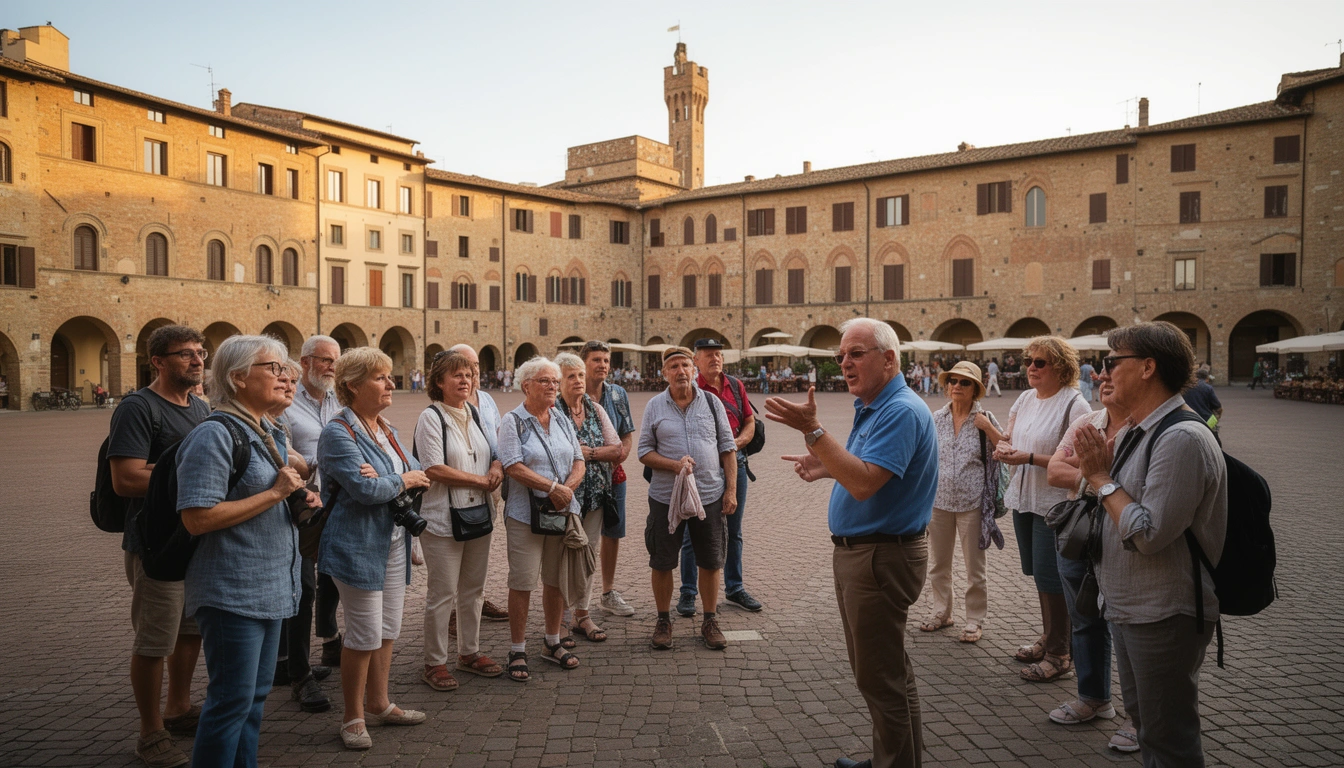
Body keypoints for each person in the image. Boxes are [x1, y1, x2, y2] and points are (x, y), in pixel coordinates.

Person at [767, 318, 938, 768]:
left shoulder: (899, 409)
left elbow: (863, 484)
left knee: (880, 679)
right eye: (841, 355)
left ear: (889, 358)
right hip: (870, 555)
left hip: (880, 557)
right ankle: (896, 759)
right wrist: (825, 464)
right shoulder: (878, 405)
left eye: (856, 353)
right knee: (889, 674)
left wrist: (815, 433)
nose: (844, 362)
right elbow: (870, 470)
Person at [1073, 322, 1227, 765]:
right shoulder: (1141, 429)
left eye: (1110, 363)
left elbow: (1148, 533)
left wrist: (1100, 477)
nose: (1101, 374)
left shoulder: (1181, 438)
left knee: (1168, 737)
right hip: (1130, 606)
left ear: (1147, 367)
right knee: (1147, 726)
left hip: (1163, 612)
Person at [175, 335, 314, 768]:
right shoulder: (214, 435)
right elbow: (196, 517)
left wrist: (298, 503)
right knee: (230, 702)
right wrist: (275, 494)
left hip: (271, 586)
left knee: (253, 700)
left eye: (286, 369)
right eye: (273, 368)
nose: (285, 376)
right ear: (237, 378)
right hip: (232, 589)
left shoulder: (269, 429)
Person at [318, 347, 431, 749]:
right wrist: (399, 478)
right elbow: (368, 490)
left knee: (388, 629)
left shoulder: (386, 429)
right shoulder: (337, 432)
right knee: (363, 634)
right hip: (356, 546)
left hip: (394, 540)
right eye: (380, 377)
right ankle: (352, 717)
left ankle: (380, 703)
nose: (390, 383)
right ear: (352, 385)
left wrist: (389, 476)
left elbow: (418, 471)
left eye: (389, 375)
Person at [108, 324, 209, 768]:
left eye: (200, 352)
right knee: (154, 638)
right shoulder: (138, 408)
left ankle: (179, 708)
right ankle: (150, 732)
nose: (196, 359)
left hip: (194, 538)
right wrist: (194, 480)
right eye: (184, 353)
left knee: (190, 630)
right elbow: (126, 477)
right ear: (158, 361)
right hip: (155, 542)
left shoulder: (202, 408)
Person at [1045, 370, 1136, 752]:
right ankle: (1094, 697)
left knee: (1127, 625)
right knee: (1084, 616)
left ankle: (1141, 717)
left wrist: (1088, 475)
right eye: (1104, 373)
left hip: (1122, 538)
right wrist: (1099, 474)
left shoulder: (1143, 431)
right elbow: (1053, 471)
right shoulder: (1088, 423)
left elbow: (1137, 484)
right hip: (1080, 534)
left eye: (1117, 372)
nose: (1105, 379)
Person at [994, 337, 1092, 683]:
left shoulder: (1075, 405)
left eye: (1040, 363)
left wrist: (1028, 458)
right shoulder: (1024, 397)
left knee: (1054, 577)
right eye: (1029, 361)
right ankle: (1051, 635)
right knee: (1039, 573)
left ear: (1062, 368)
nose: (1030, 368)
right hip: (1024, 499)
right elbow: (1008, 435)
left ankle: (1060, 654)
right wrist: (1005, 447)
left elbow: (1080, 461)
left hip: (1055, 504)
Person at [415, 351, 505, 692]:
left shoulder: (476, 413)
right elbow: (434, 468)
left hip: (479, 514)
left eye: (468, 374)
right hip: (442, 518)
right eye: (456, 375)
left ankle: (470, 653)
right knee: (442, 593)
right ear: (439, 382)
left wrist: (495, 468)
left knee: (474, 589)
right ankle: (434, 662)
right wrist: (480, 481)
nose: (465, 380)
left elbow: (495, 452)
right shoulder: (431, 418)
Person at [639, 346, 738, 650]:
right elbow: (643, 451)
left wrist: (731, 490)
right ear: (664, 373)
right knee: (662, 560)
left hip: (709, 494)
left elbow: (727, 448)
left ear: (694, 369)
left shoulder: (711, 402)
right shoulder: (655, 406)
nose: (680, 371)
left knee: (710, 560)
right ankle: (663, 619)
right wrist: (674, 465)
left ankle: (709, 619)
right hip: (665, 496)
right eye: (673, 367)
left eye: (685, 365)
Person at [497, 356, 587, 680]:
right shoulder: (513, 421)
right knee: (522, 581)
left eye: (554, 381)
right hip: (525, 515)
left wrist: (566, 489)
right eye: (544, 381)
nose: (552, 386)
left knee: (554, 579)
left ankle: (551, 642)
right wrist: (551, 487)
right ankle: (517, 648)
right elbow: (512, 465)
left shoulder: (561, 418)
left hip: (560, 513)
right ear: (526, 385)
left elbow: (579, 459)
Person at [276, 335, 341, 714]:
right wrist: (310, 469)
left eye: (335, 360)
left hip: (335, 501)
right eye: (325, 360)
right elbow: (282, 454)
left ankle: (296, 658)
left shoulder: (337, 399)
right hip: (298, 505)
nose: (332, 366)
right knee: (302, 586)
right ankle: (299, 675)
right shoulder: (286, 402)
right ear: (305, 362)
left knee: (329, 576)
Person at [679, 338, 763, 617]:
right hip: (703, 469)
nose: (715, 359)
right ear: (696, 362)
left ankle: (735, 588)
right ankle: (689, 593)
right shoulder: (691, 389)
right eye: (708, 355)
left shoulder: (735, 386)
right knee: (694, 532)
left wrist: (736, 444)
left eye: (718, 354)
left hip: (734, 463)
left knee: (734, 530)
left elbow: (749, 421)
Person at [922, 361, 1002, 644]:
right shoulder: (936, 418)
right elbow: (925, 457)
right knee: (938, 564)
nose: (956, 386)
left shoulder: (985, 418)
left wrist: (988, 429)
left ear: (976, 389)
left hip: (972, 502)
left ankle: (974, 620)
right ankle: (942, 612)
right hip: (939, 501)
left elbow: (1006, 449)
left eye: (964, 382)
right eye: (953, 381)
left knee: (974, 568)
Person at [555, 352, 621, 640]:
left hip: (595, 496)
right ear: (558, 382)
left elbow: (617, 449)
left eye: (580, 375)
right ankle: (559, 618)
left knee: (587, 554)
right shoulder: (552, 411)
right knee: (559, 556)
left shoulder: (595, 409)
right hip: (562, 498)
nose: (578, 380)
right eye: (571, 376)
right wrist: (583, 455)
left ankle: (582, 613)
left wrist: (587, 454)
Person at [447, 344, 511, 624]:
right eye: (465, 366)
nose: (473, 371)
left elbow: (497, 439)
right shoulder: (445, 404)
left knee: (480, 547)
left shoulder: (486, 400)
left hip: (489, 485)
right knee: (455, 548)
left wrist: (497, 464)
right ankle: (452, 611)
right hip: (460, 486)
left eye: (475, 366)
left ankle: (476, 599)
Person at [579, 341, 639, 617]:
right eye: (596, 360)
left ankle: (608, 591)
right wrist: (599, 454)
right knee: (579, 534)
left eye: (605, 360)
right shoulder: (572, 394)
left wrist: (621, 454)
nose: (602, 365)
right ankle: (578, 596)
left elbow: (626, 432)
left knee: (612, 531)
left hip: (614, 475)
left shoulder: (617, 394)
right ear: (584, 364)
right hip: (581, 477)